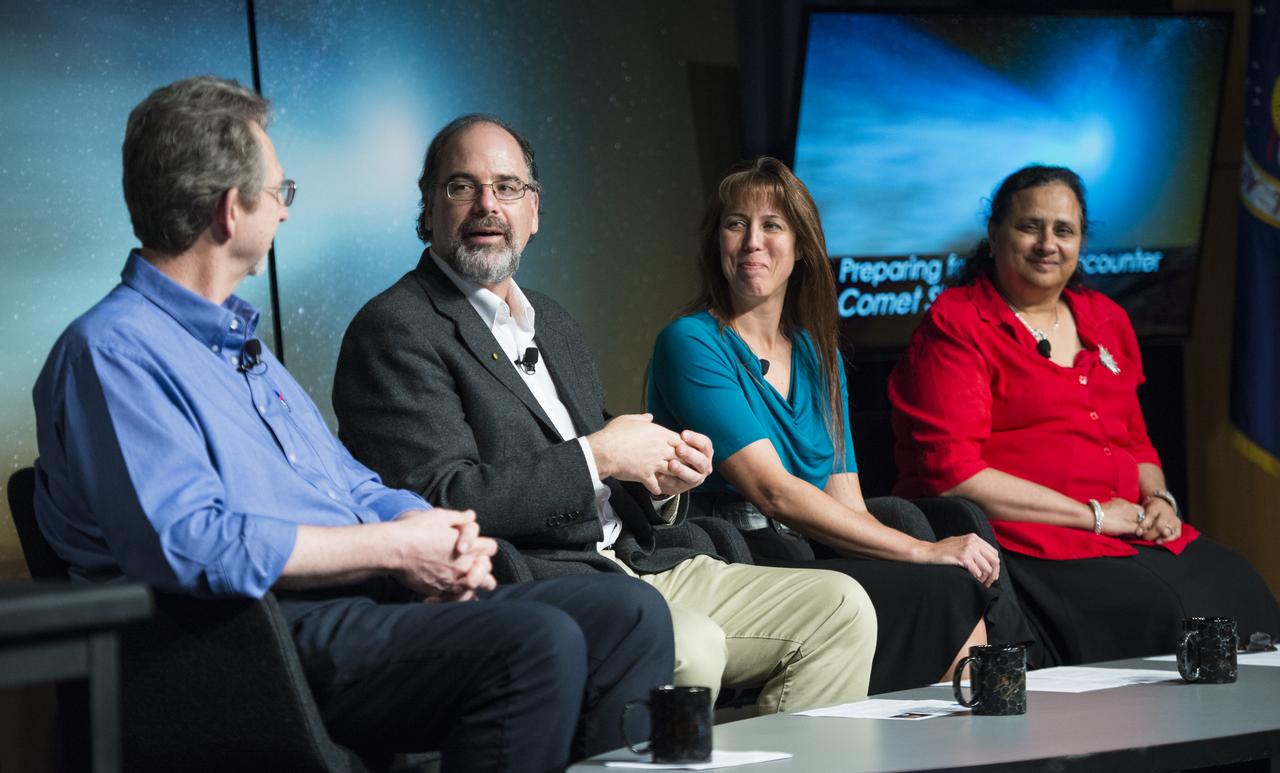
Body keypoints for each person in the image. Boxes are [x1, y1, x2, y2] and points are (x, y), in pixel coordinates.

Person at [32, 77, 675, 773]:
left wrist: (434, 532)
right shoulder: (113, 351)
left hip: (356, 603)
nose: (284, 213)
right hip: (250, 637)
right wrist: (393, 549)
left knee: (628, 614)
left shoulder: (244, 353)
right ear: (228, 211)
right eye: (280, 193)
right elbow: (193, 542)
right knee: (537, 640)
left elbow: (352, 484)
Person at [333, 114, 878, 714]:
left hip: (639, 558)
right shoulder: (396, 329)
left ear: (533, 211)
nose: (488, 205)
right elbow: (438, 498)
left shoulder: (552, 321)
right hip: (539, 577)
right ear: (428, 209)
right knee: (690, 644)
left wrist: (660, 480)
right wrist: (601, 456)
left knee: (841, 607)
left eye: (508, 187)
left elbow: (602, 470)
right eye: (462, 187)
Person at [889, 164, 1280, 667]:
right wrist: (1094, 516)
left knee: (1240, 586)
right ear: (994, 235)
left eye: (1064, 230)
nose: (1047, 243)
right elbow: (954, 474)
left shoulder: (1106, 317)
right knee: (1168, 614)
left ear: (1080, 243)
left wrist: (1158, 498)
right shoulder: (957, 322)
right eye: (1030, 226)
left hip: (1128, 527)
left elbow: (1135, 442)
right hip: (1034, 540)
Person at [646, 156, 1002, 694]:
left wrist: (929, 559)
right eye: (736, 224)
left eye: (772, 226)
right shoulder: (691, 342)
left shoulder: (817, 351)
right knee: (936, 580)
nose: (752, 242)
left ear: (802, 247)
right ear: (716, 241)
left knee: (948, 576)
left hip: (808, 545)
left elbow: (847, 501)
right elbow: (773, 493)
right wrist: (923, 553)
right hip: (738, 554)